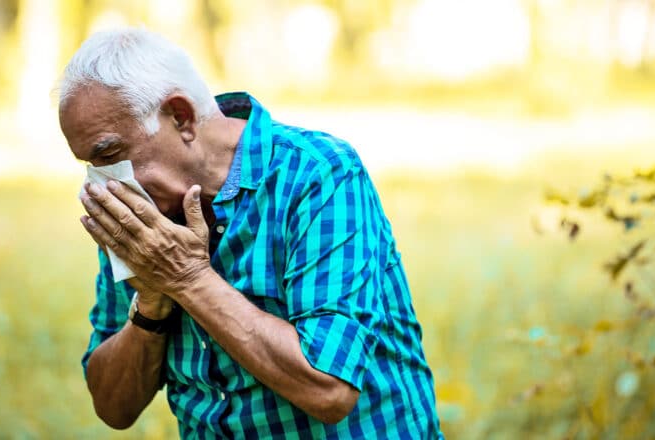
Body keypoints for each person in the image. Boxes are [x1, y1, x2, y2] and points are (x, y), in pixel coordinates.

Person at [58, 27, 443, 438]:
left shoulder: (318, 173)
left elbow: (329, 388)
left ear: (181, 117)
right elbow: (113, 407)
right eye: (90, 165)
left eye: (110, 155)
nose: (101, 184)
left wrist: (187, 280)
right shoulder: (138, 210)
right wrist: (151, 304)